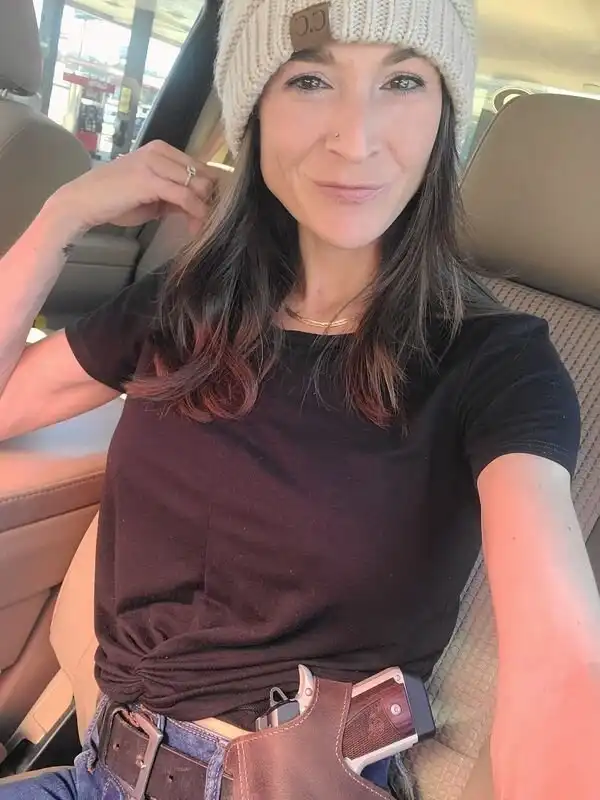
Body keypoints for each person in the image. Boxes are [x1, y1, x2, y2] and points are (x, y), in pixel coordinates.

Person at [0, 0, 599, 798]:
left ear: (444, 115)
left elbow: (560, 663)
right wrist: (63, 214)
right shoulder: (187, 304)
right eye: (311, 80)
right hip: (97, 771)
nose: (355, 138)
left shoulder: (495, 361)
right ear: (254, 109)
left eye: (403, 82)